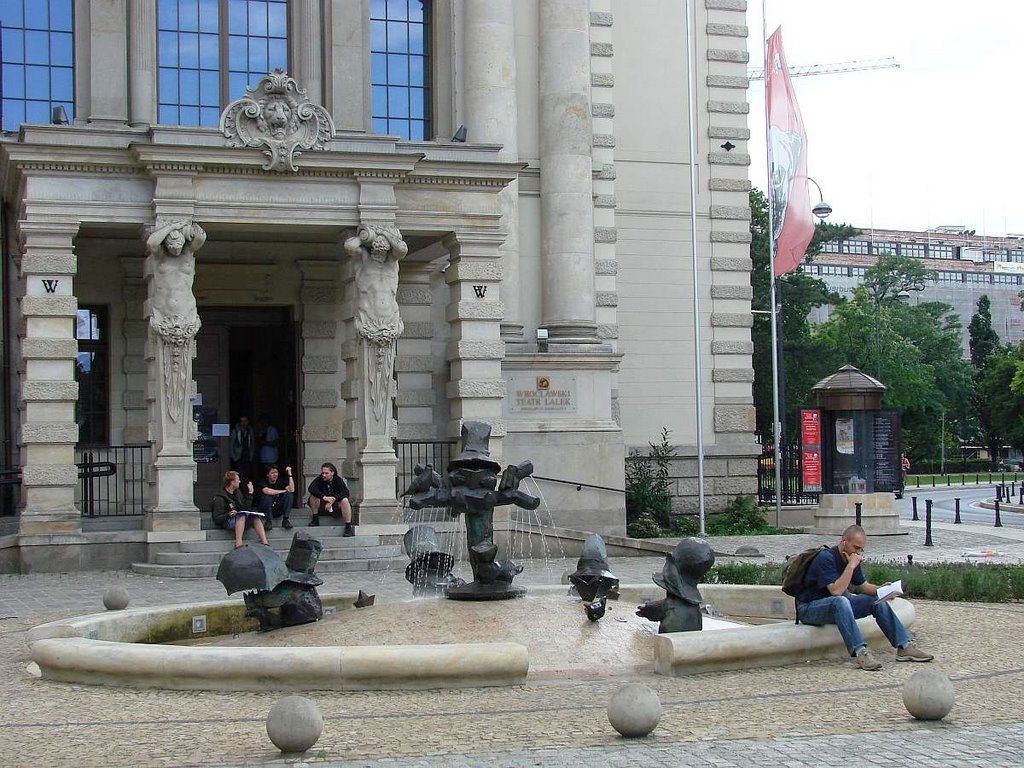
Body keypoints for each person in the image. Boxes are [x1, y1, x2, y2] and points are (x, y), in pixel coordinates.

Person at [796, 524, 933, 671]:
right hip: (809, 608)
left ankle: (904, 646)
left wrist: (883, 590)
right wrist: (851, 566)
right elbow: (836, 590)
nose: (859, 553)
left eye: (861, 549)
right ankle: (861, 652)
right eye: (856, 548)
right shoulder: (825, 558)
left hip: (836, 606)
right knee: (840, 601)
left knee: (874, 600)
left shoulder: (851, 558)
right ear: (844, 542)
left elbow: (864, 587)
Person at [211, 470, 269, 548]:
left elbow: (245, 508)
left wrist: (250, 494)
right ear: (232, 482)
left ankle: (265, 543)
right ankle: (238, 544)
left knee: (255, 516)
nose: (239, 481)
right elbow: (217, 518)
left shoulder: (237, 493)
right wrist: (228, 515)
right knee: (241, 516)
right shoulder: (220, 498)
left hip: (239, 519)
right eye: (238, 479)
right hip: (227, 521)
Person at [307, 462, 354, 536]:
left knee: (345, 500)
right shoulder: (319, 479)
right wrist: (324, 497)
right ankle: (315, 519)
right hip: (322, 506)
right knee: (313, 496)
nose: (324, 475)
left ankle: (348, 527)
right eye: (322, 473)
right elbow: (311, 488)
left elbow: (346, 492)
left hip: (335, 507)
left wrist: (334, 499)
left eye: (326, 473)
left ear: (332, 472)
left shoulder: (338, 480)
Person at [257, 464, 294, 531]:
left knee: (289, 495)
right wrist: (283, 491)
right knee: (267, 497)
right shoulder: (263, 481)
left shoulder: (281, 481)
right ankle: (268, 521)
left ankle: (285, 520)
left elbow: (292, 490)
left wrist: (290, 474)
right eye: (272, 473)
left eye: (276, 472)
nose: (275, 474)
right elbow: (267, 491)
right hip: (265, 510)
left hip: (277, 509)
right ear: (267, 475)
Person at [229, 415, 256, 482]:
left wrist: (251, 455)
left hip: (247, 457)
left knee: (247, 475)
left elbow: (252, 443)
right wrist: (234, 457)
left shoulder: (250, 431)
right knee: (239, 475)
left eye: (245, 421)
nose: (244, 423)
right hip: (238, 457)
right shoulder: (235, 431)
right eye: (242, 421)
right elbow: (231, 444)